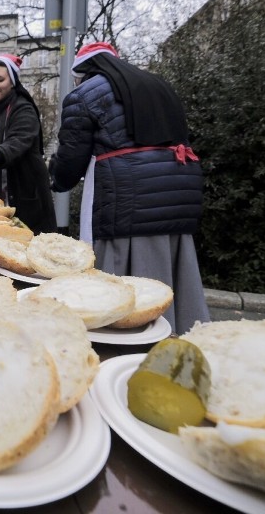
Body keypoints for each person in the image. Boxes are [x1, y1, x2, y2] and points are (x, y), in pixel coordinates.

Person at [49, 42, 209, 333]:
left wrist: (56, 177)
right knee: (171, 276)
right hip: (176, 198)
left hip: (126, 200)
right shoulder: (157, 85)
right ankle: (177, 338)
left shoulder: (83, 94)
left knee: (120, 287)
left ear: (81, 71)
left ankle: (125, 354)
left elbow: (70, 163)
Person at [0, 54, 55, 234]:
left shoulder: (23, 108)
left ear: (12, 81)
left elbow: (17, 142)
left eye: (0, 79)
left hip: (23, 195)